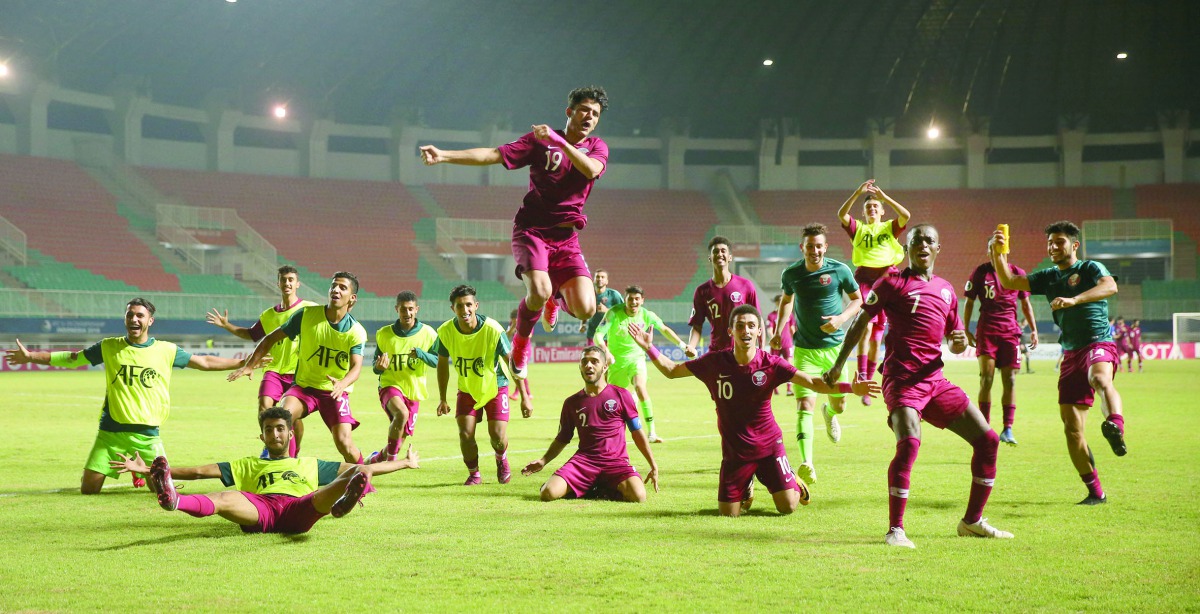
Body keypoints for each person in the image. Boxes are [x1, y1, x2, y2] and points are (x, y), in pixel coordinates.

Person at [826, 224, 1014, 548]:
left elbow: (955, 340)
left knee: (988, 440)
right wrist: (839, 364)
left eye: (929, 240)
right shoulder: (892, 282)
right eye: (916, 241)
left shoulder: (946, 291)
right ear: (907, 249)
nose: (923, 245)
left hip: (935, 380)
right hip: (901, 379)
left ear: (938, 248)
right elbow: (861, 321)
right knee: (910, 443)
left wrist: (957, 342)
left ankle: (972, 521)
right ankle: (895, 530)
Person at [420, 87, 610, 379]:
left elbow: (592, 170)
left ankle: (553, 299)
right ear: (570, 111)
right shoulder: (539, 142)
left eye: (595, 114)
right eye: (584, 109)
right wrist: (444, 155)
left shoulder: (597, 146)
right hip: (532, 230)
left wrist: (558, 140)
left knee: (586, 309)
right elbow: (494, 154)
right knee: (539, 289)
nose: (590, 117)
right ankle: (521, 344)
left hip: (566, 238)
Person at [630, 305, 879, 517]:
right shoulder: (714, 362)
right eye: (740, 326)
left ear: (759, 331)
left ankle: (790, 477)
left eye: (751, 325)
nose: (745, 330)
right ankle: (747, 481)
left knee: (788, 507)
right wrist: (648, 348)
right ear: (730, 331)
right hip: (735, 452)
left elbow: (813, 382)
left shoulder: (771, 364)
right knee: (728, 514)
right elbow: (672, 370)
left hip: (769, 446)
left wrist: (850, 388)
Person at [4, 298, 264, 494]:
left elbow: (204, 361)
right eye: (130, 315)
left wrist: (245, 361)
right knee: (88, 490)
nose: (134, 319)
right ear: (125, 319)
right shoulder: (109, 347)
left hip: (148, 434)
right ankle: (133, 469)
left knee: (159, 491)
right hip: (111, 433)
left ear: (150, 321)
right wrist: (31, 357)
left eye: (140, 315)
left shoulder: (166, 350)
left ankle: (139, 470)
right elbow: (72, 358)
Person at [109, 407, 419, 534]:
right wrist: (152, 470)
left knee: (352, 476)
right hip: (262, 509)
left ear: (290, 434)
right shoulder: (248, 464)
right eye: (269, 430)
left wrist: (404, 462)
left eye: (280, 429)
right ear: (263, 437)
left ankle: (342, 502)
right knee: (224, 496)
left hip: (299, 508)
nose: (275, 434)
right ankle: (175, 500)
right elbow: (200, 471)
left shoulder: (308, 463)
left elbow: (367, 466)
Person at [990, 221, 1127, 505]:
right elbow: (1010, 282)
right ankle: (1095, 491)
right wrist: (997, 252)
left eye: (1060, 242)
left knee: (1100, 379)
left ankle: (1115, 424)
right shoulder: (1049, 277)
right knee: (1072, 428)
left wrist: (1073, 300)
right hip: (1070, 353)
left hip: (1098, 341)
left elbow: (1110, 286)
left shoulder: (1089, 268)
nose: (1053, 247)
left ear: (1074, 245)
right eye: (1050, 242)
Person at [228, 272, 368, 463]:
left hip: (334, 391)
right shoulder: (306, 316)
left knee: (344, 444)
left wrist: (342, 383)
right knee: (282, 419)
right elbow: (270, 338)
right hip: (304, 388)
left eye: (342, 287)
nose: (335, 289)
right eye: (333, 285)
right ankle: (286, 467)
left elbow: (356, 367)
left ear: (352, 298)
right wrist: (249, 365)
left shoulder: (356, 331)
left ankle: (364, 478)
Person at [772, 224, 863, 485]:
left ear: (825, 247)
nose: (814, 250)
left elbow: (858, 300)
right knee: (803, 406)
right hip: (804, 351)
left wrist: (841, 319)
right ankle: (807, 462)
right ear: (803, 248)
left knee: (840, 405)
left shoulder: (839, 270)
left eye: (818, 245)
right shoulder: (791, 274)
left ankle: (831, 414)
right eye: (809, 246)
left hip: (836, 352)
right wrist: (779, 330)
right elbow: (787, 301)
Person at [521, 346, 659, 502]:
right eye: (584, 362)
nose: (589, 365)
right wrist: (543, 461)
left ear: (605, 366)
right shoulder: (571, 403)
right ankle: (593, 486)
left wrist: (653, 465)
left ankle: (599, 487)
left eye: (594, 361)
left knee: (639, 496)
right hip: (584, 462)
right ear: (579, 367)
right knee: (547, 493)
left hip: (616, 462)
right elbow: (562, 438)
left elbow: (637, 432)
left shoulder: (621, 395)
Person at [206, 265, 318, 457]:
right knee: (264, 406)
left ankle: (293, 452)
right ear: (278, 283)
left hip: (299, 373)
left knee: (292, 417)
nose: (287, 283)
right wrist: (227, 326)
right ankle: (270, 447)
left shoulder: (310, 309)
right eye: (284, 280)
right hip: (273, 369)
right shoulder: (268, 315)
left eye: (291, 279)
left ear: (297, 283)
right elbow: (251, 334)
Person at [434, 285, 533, 486]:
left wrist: (524, 397)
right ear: (453, 308)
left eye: (469, 305)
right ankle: (474, 474)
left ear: (476, 305)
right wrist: (443, 398)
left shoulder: (493, 329)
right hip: (467, 388)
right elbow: (442, 365)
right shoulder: (445, 331)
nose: (465, 310)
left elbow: (511, 362)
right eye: (459, 306)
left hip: (495, 386)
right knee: (465, 433)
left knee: (497, 435)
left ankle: (501, 458)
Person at [836, 180, 910, 406]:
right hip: (866, 279)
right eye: (868, 207)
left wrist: (884, 197)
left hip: (888, 279)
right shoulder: (858, 228)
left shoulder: (889, 227)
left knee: (878, 334)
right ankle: (863, 376)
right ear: (864, 212)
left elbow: (906, 215)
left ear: (882, 210)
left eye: (876, 207)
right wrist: (858, 192)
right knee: (865, 325)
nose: (872, 210)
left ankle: (867, 383)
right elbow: (841, 214)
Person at [594, 285, 695, 443]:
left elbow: (664, 329)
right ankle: (606, 431)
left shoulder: (647, 315)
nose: (633, 302)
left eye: (636, 299)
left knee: (640, 388)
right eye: (630, 299)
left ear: (642, 300)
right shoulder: (613, 312)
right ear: (625, 299)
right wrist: (605, 351)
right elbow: (598, 334)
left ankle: (652, 433)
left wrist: (683, 345)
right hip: (616, 362)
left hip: (637, 359)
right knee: (613, 399)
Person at [963, 255, 1039, 445]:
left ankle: (1007, 428)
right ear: (989, 251)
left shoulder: (1017, 273)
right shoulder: (981, 272)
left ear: (1006, 250)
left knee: (1010, 380)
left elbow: (1025, 303)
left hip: (1010, 332)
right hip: (987, 331)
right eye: (991, 248)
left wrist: (1033, 329)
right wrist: (966, 329)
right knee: (986, 379)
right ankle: (984, 427)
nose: (995, 252)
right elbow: (970, 301)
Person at [366, 291, 438, 464]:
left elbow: (436, 361)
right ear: (396, 309)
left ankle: (376, 459)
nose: (407, 313)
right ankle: (392, 461)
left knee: (399, 439)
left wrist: (421, 354)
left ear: (417, 309)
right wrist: (378, 367)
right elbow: (377, 368)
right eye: (403, 309)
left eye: (411, 309)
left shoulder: (428, 334)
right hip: (390, 386)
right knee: (401, 413)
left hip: (413, 391)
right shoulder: (384, 334)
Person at [688, 235, 758, 354]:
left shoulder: (746, 285)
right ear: (710, 258)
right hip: (717, 352)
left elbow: (757, 321)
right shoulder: (702, 291)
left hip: (742, 352)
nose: (720, 254)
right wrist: (691, 346)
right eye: (715, 251)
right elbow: (697, 326)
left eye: (723, 251)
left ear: (730, 257)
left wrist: (760, 350)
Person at [766, 296, 798, 396]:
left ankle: (789, 389)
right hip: (776, 345)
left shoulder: (789, 315)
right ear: (775, 302)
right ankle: (774, 388)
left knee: (789, 366)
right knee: (774, 367)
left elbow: (792, 329)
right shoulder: (771, 316)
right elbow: (769, 330)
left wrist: (796, 340)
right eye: (778, 301)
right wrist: (773, 339)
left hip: (787, 343)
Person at [585, 270, 624, 345]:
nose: (600, 279)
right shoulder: (589, 294)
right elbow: (584, 310)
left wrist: (606, 310)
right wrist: (583, 324)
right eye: (597, 277)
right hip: (592, 334)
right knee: (592, 356)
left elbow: (623, 313)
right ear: (594, 280)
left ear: (607, 281)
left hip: (610, 335)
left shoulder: (613, 295)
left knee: (608, 356)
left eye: (602, 277)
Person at [504, 309, 533, 401]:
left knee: (519, 371)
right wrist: (513, 326)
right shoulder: (511, 324)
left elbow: (529, 336)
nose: (513, 321)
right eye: (512, 319)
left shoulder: (527, 323)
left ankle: (517, 394)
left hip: (525, 349)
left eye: (515, 319)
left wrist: (519, 328)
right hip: (515, 349)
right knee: (519, 371)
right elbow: (507, 334)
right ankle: (528, 394)